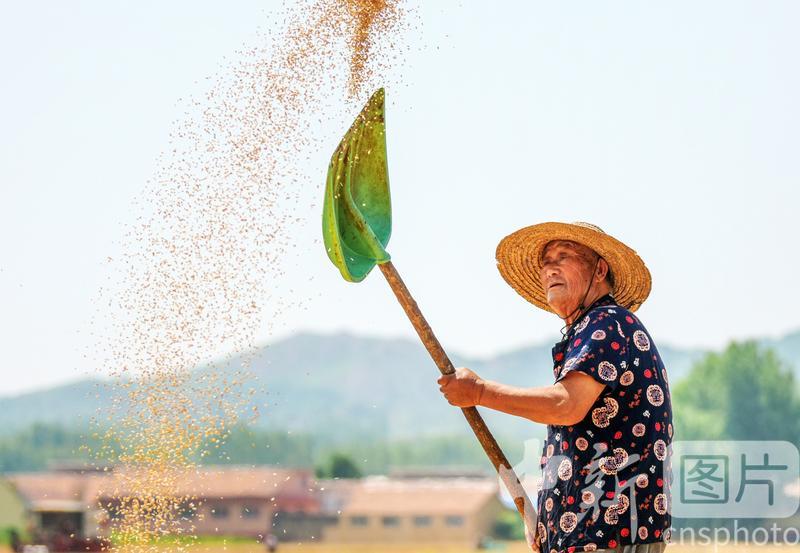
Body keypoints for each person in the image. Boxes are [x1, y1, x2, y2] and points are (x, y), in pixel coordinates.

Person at [438, 222, 673, 553]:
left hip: (609, 532)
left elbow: (566, 405)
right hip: (589, 532)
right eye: (546, 262)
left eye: (564, 257)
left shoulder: (608, 323)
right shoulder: (591, 329)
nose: (550, 269)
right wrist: (546, 520)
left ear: (599, 270)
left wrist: (479, 392)